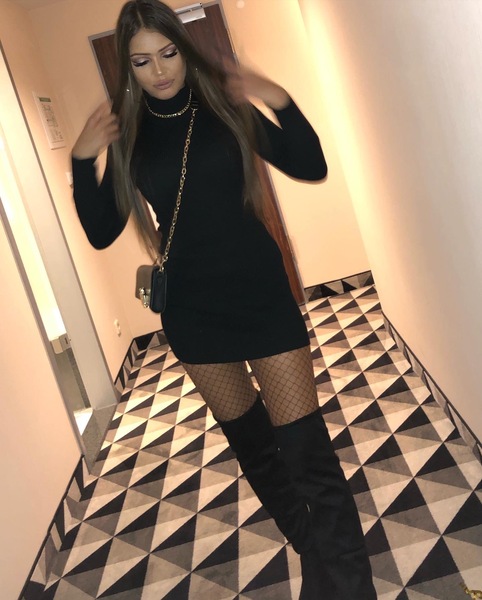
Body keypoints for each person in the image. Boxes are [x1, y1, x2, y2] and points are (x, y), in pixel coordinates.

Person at [71, 1, 377, 597]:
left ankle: (351, 583)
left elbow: (310, 165)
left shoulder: (222, 107)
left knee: (306, 452)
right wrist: (84, 159)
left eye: (168, 53)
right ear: (127, 69)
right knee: (256, 450)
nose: (160, 71)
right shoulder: (130, 137)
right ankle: (316, 557)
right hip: (193, 312)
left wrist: (277, 97)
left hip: (260, 296)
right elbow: (102, 231)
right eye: (141, 62)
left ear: (184, 50)